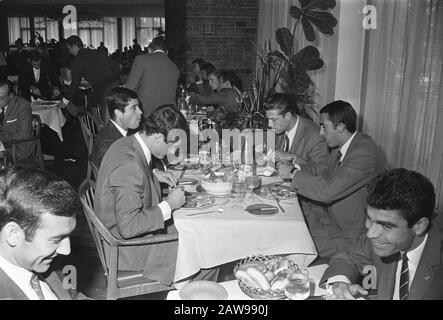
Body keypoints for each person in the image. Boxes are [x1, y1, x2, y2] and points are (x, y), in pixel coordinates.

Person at [94, 104, 217, 285]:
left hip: (122, 238)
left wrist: (153, 174)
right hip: (125, 250)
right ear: (159, 137)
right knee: (209, 254)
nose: (172, 155)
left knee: (198, 230)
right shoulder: (129, 166)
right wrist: (170, 204)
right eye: (173, 148)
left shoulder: (126, 143)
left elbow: (129, 176)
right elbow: (128, 227)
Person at [320, 168, 443, 300]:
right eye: (369, 218)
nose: (371, 234)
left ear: (419, 226)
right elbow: (348, 258)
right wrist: (341, 282)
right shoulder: (382, 240)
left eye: (386, 225)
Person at [287, 100, 384, 258]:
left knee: (291, 246)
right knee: (290, 229)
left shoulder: (364, 152)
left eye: (324, 127)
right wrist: (295, 168)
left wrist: (292, 174)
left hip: (350, 236)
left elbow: (327, 192)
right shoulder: (343, 146)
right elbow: (321, 170)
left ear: (340, 126)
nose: (320, 133)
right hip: (330, 223)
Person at [0, 166, 87, 300]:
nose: (66, 250)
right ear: (13, 234)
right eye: (56, 239)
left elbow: (74, 297)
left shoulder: (49, 261)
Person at [265, 93, 328, 173]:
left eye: (273, 120)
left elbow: (320, 171)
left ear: (288, 116)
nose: (269, 124)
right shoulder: (280, 129)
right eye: (268, 119)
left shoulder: (315, 135)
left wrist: (292, 158)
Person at [60, 35, 121, 116]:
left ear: (74, 46)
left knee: (89, 111)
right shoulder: (99, 52)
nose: (69, 52)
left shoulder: (77, 61)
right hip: (116, 87)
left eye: (69, 49)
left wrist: (65, 101)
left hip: (102, 92)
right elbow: (116, 68)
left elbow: (75, 84)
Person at [126, 36, 180, 118]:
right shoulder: (175, 68)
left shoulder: (142, 59)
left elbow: (130, 88)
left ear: (149, 49)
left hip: (145, 114)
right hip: (168, 116)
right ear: (167, 51)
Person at [90, 87, 142, 168]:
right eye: (134, 108)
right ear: (118, 113)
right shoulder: (110, 145)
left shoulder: (120, 131)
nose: (140, 112)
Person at [0, 77, 32, 162]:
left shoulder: (22, 105)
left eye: (1, 98)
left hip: (16, 148)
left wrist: (1, 138)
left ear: (11, 96)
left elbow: (23, 134)